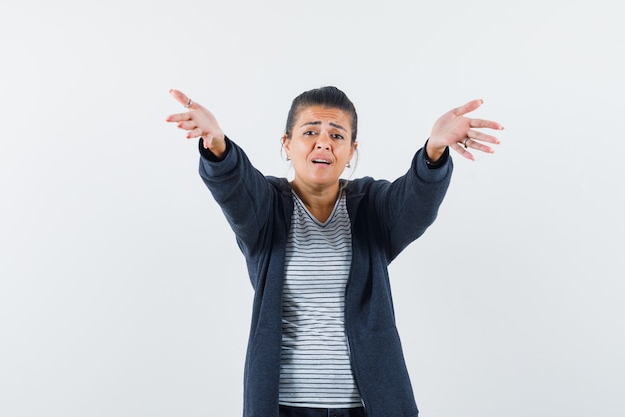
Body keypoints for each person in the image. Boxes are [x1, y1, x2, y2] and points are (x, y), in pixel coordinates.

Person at [165, 86, 503, 417]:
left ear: (352, 150)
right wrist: (219, 148)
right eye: (310, 131)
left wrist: (433, 152)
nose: (323, 142)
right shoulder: (266, 208)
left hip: (369, 405)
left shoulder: (371, 205)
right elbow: (236, 186)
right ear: (287, 143)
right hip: (283, 405)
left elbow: (413, 204)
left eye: (337, 135)